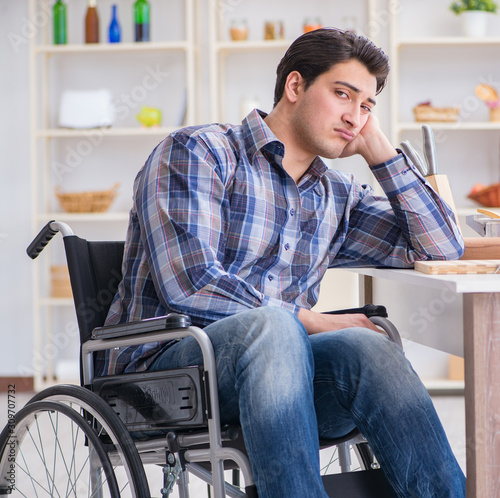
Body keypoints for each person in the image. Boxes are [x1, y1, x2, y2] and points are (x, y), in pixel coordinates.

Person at [97, 28, 466, 497]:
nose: (355, 117)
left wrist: (381, 152)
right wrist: (308, 321)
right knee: (273, 327)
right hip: (162, 377)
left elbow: (441, 247)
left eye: (367, 106)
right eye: (342, 95)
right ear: (295, 86)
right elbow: (192, 283)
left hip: (280, 382)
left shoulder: (337, 196)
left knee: (368, 347)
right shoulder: (199, 151)